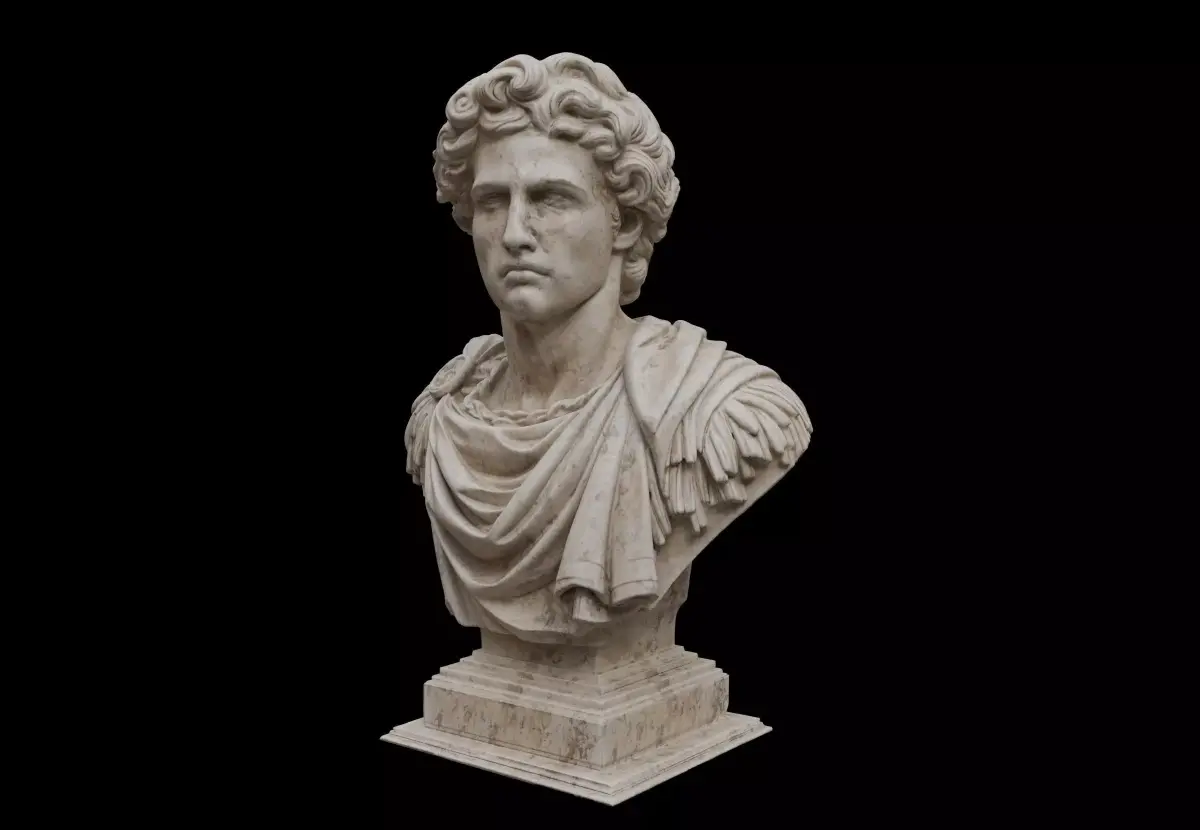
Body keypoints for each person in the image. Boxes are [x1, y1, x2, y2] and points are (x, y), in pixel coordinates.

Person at [405, 54, 813, 644]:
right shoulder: (445, 412)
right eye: (492, 202)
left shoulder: (719, 411)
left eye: (551, 199)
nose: (514, 233)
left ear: (624, 223)